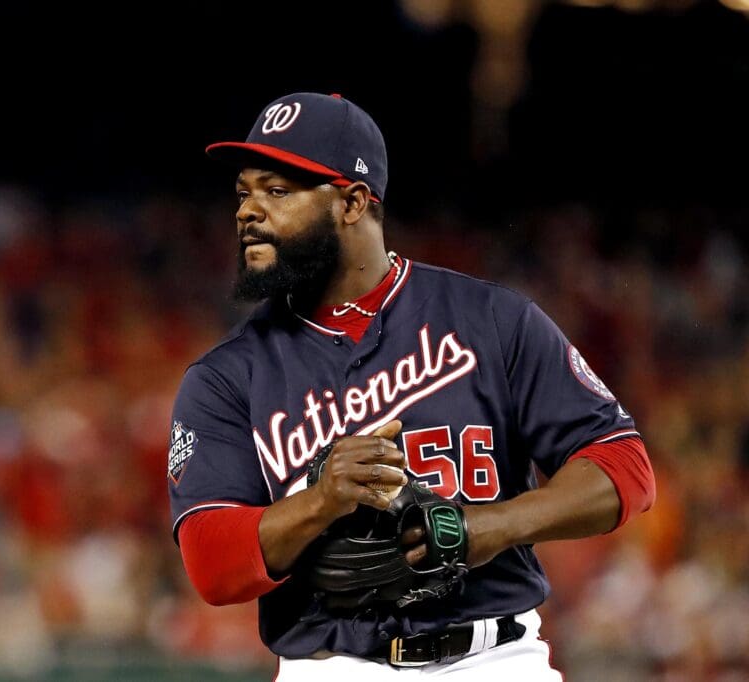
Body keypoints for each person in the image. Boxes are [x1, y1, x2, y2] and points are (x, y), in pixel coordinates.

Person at [166, 92, 655, 680]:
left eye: (277, 191)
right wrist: (319, 504)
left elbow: (625, 467)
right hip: (335, 665)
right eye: (243, 192)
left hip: (494, 658)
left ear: (351, 203)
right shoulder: (225, 377)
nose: (247, 211)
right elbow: (210, 564)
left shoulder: (492, 320)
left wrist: (491, 527)